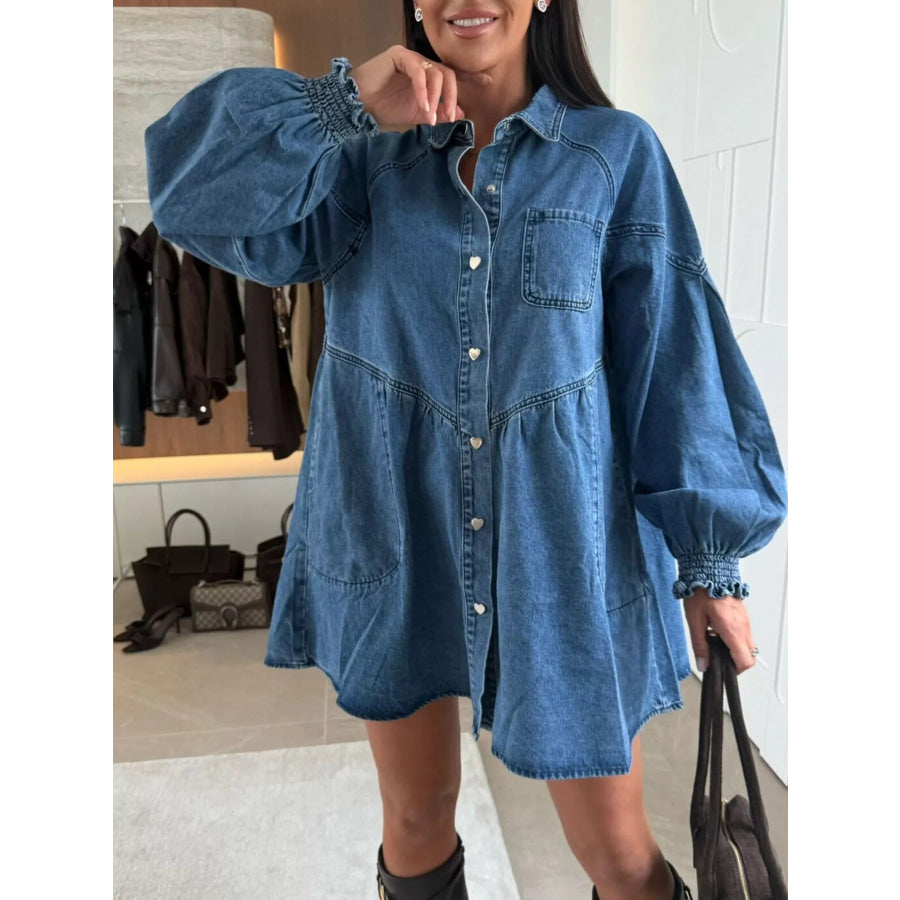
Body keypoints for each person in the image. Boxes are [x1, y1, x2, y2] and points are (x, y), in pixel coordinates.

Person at [143, 2, 788, 898]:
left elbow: (672, 353)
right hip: (397, 540)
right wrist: (344, 104)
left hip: (561, 558)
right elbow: (186, 192)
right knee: (413, 820)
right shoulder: (363, 161)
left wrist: (710, 561)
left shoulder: (613, 156)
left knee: (617, 854)